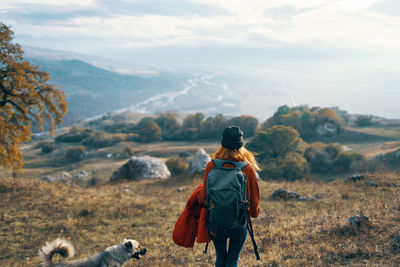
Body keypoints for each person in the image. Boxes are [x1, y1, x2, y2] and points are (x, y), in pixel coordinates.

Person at [198, 126, 261, 267]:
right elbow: (254, 206)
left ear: (222, 144)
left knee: (220, 258)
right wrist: (252, 213)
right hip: (238, 224)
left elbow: (203, 198)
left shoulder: (211, 165)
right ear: (241, 145)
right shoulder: (247, 169)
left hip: (215, 223)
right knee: (232, 261)